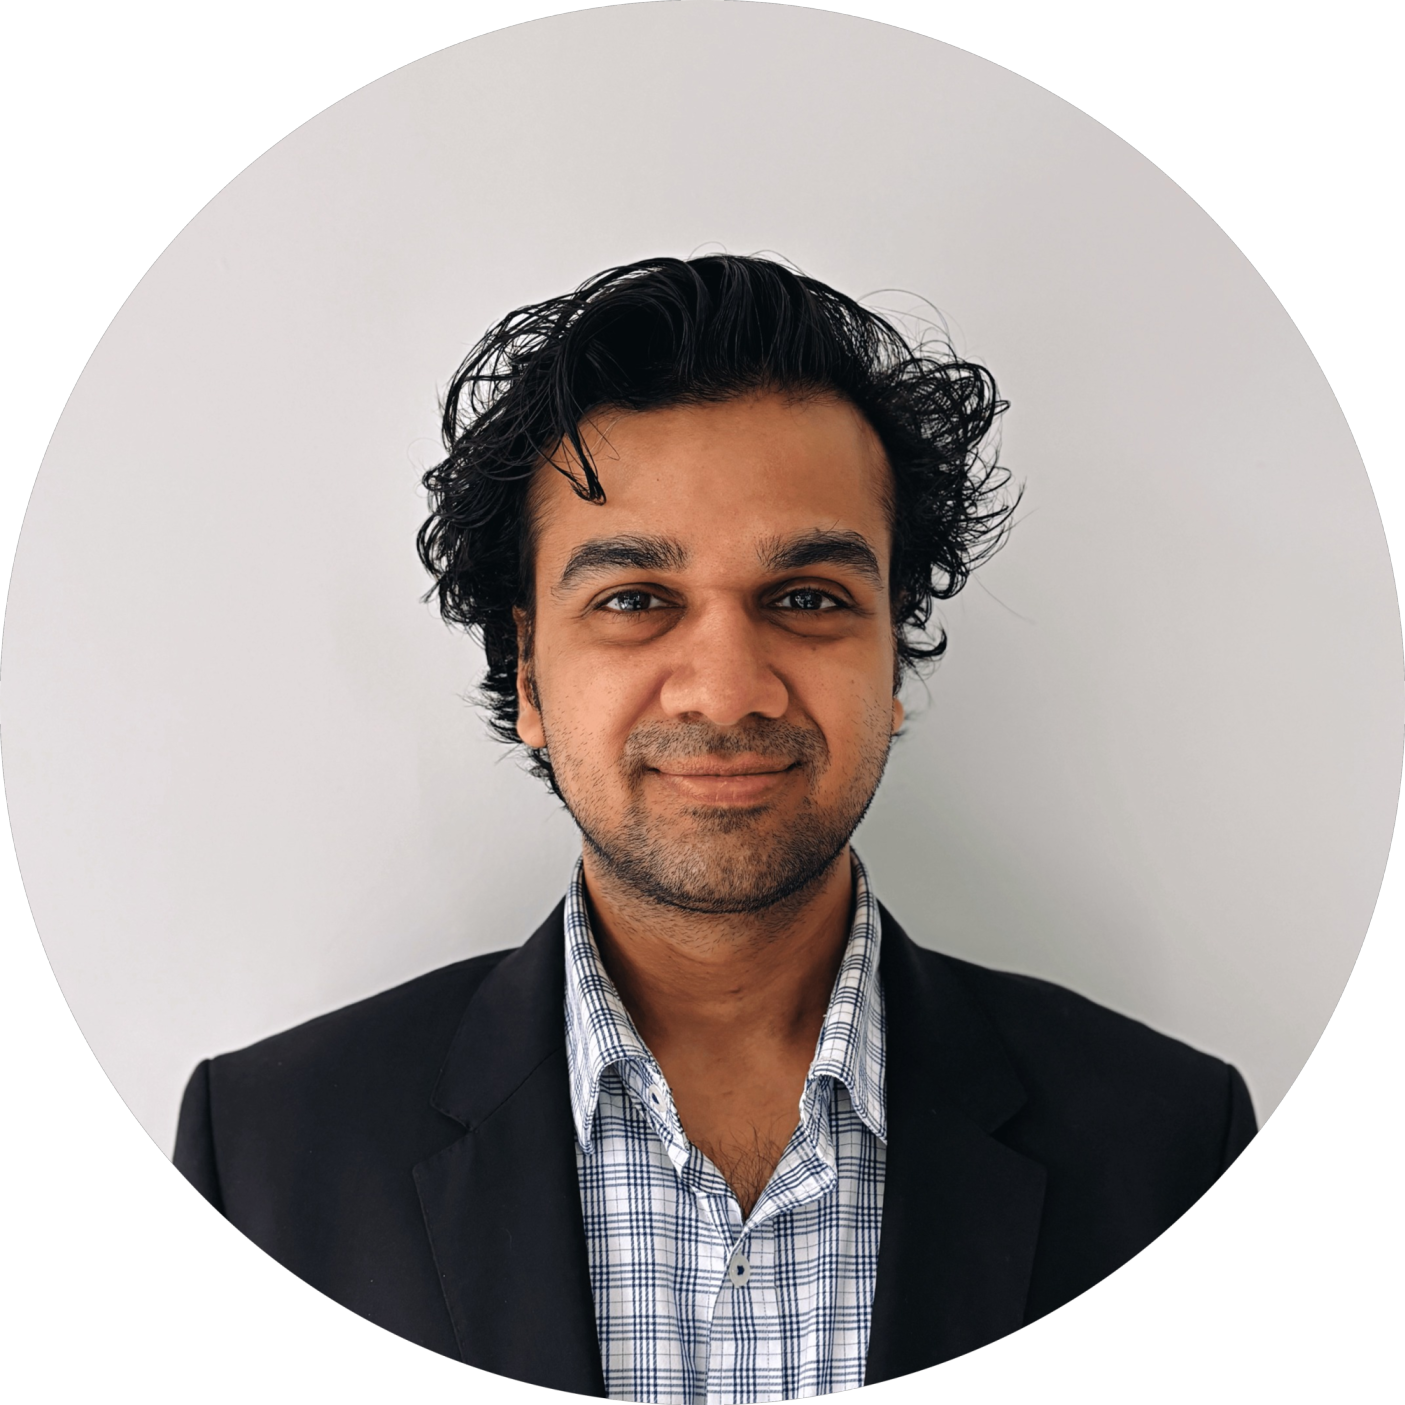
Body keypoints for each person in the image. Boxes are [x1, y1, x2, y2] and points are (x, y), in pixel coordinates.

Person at [174, 255, 1255, 1399]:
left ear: (894, 656)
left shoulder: (1172, 1148)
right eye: (634, 600)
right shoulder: (269, 1159)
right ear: (529, 677)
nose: (727, 690)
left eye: (807, 598)